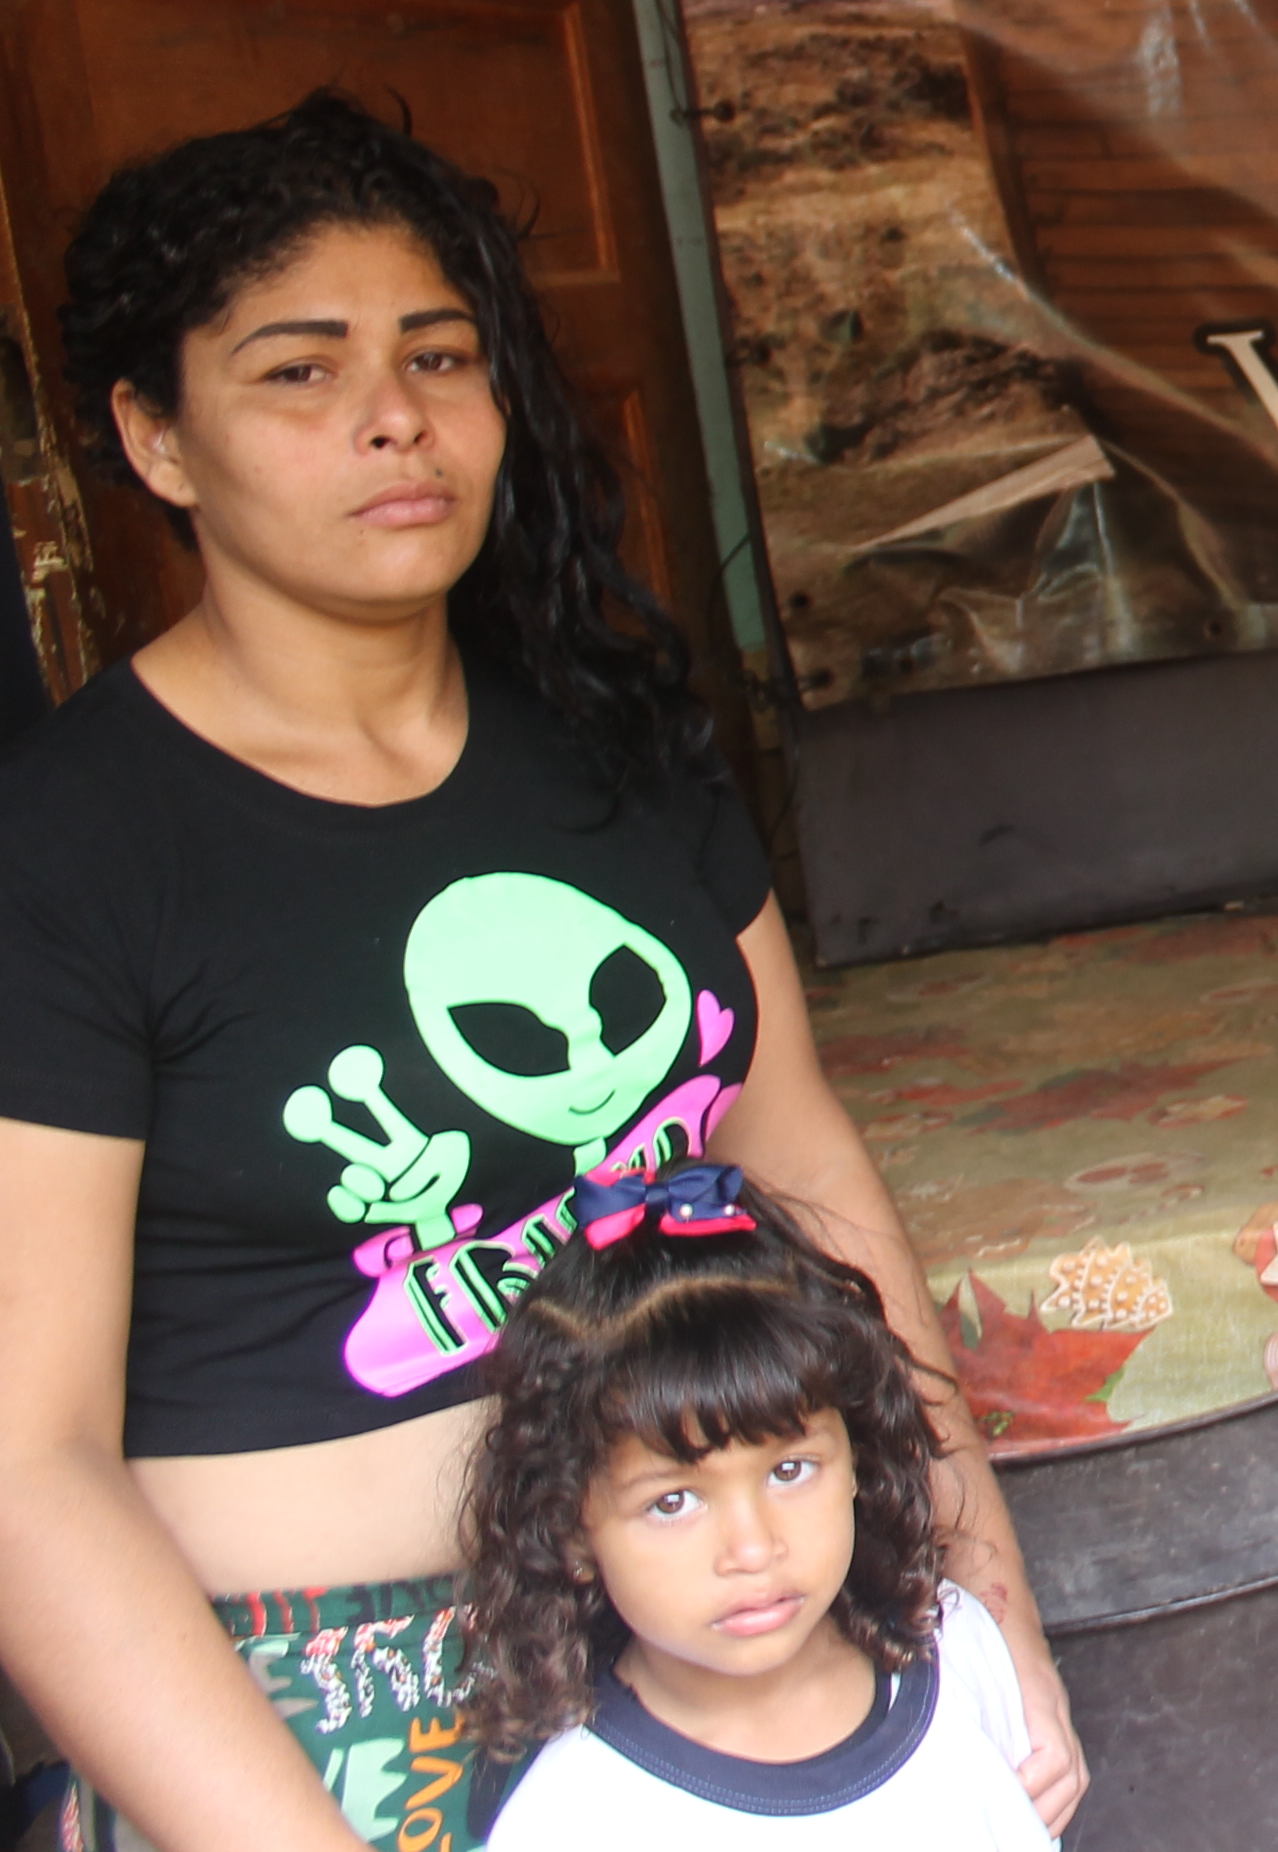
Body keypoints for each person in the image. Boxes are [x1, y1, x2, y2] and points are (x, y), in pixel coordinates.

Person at [0, 95, 1084, 1850]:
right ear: (154, 435)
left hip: (747, 1638)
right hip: (330, 1716)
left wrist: (978, 1608)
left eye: (442, 352)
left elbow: (803, 1165)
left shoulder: (609, 743)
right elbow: (22, 1464)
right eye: (298, 370)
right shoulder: (66, 851)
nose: (395, 414)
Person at [463, 1164, 1045, 1848]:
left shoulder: (960, 1651)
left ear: (857, 1457)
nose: (752, 1548)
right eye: (673, 1502)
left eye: (790, 1470)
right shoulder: (572, 1820)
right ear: (571, 1532)